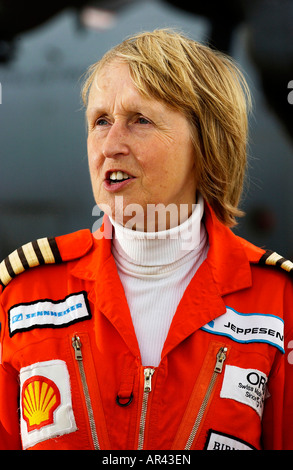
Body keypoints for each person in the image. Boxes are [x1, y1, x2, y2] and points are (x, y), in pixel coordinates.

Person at [0, 28, 293, 451]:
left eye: (140, 120)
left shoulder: (278, 302)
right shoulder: (26, 292)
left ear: (206, 142)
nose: (110, 145)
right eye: (100, 121)